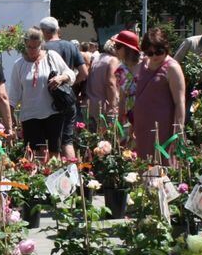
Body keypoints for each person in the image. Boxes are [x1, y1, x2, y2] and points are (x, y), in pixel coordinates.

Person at [9, 27, 75, 160]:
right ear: (25, 44)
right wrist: (10, 121)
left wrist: (61, 78)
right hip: (30, 116)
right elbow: (13, 95)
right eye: (29, 47)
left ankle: (54, 178)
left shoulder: (52, 57)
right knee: (35, 154)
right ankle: (37, 179)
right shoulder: (19, 65)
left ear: (41, 44)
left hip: (53, 113)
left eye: (36, 47)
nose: (32, 51)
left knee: (54, 153)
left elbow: (71, 74)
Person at [133, 28, 186, 165]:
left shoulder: (172, 67)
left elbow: (180, 102)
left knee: (162, 163)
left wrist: (178, 130)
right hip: (142, 125)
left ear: (166, 48)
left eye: (159, 51)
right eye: (150, 52)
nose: (155, 55)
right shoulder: (143, 64)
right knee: (143, 163)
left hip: (162, 126)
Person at [39, 17, 88, 159]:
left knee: (49, 143)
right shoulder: (71, 46)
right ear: (57, 30)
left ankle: (50, 177)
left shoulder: (43, 49)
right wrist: (69, 85)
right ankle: (73, 178)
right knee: (67, 140)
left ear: (43, 32)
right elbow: (84, 73)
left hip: (48, 102)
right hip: (67, 99)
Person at [85, 42, 120, 132]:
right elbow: (111, 83)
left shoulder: (97, 58)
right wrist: (113, 106)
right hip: (104, 106)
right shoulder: (113, 60)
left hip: (91, 103)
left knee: (94, 136)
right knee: (108, 138)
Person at [113, 30, 142, 126]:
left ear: (128, 48)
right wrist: (120, 120)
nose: (115, 50)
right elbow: (122, 98)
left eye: (117, 46)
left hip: (146, 113)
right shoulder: (120, 70)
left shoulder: (146, 66)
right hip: (130, 118)